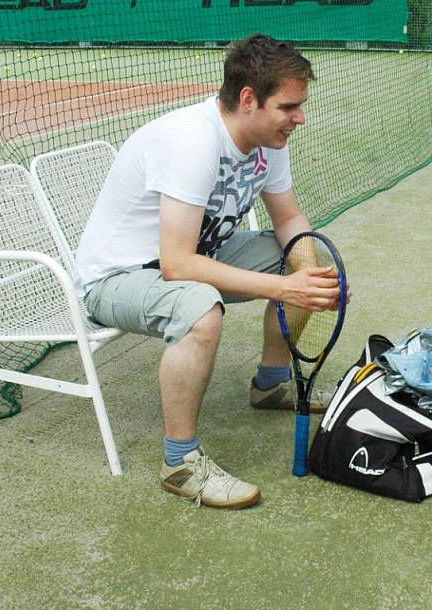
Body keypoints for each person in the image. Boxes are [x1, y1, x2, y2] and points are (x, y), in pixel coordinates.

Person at [75, 34, 342, 509]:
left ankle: (271, 384)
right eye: (289, 106)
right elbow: (178, 265)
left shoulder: (268, 139)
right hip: (117, 278)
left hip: (191, 256)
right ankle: (180, 464)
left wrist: (307, 273)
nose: (300, 117)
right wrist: (286, 287)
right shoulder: (192, 140)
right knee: (202, 309)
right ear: (248, 99)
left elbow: (288, 219)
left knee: (300, 255)